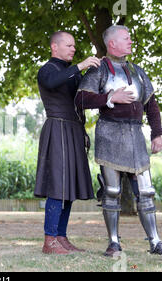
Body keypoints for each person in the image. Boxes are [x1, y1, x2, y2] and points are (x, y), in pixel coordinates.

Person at [75, 25, 162, 257]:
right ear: (112, 43)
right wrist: (109, 97)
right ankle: (114, 242)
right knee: (112, 191)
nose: (131, 41)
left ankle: (155, 241)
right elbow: (80, 98)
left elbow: (151, 104)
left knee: (146, 192)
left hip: (136, 136)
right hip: (110, 135)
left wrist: (157, 132)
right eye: (126, 38)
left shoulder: (137, 71)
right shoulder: (99, 70)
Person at [34, 31, 99, 254]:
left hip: (73, 130)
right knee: (57, 185)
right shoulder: (47, 69)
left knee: (69, 186)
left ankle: (60, 237)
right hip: (57, 129)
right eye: (69, 45)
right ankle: (49, 240)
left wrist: (109, 98)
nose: (73, 49)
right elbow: (52, 83)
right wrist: (80, 66)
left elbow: (82, 99)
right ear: (54, 47)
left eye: (74, 46)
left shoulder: (72, 73)